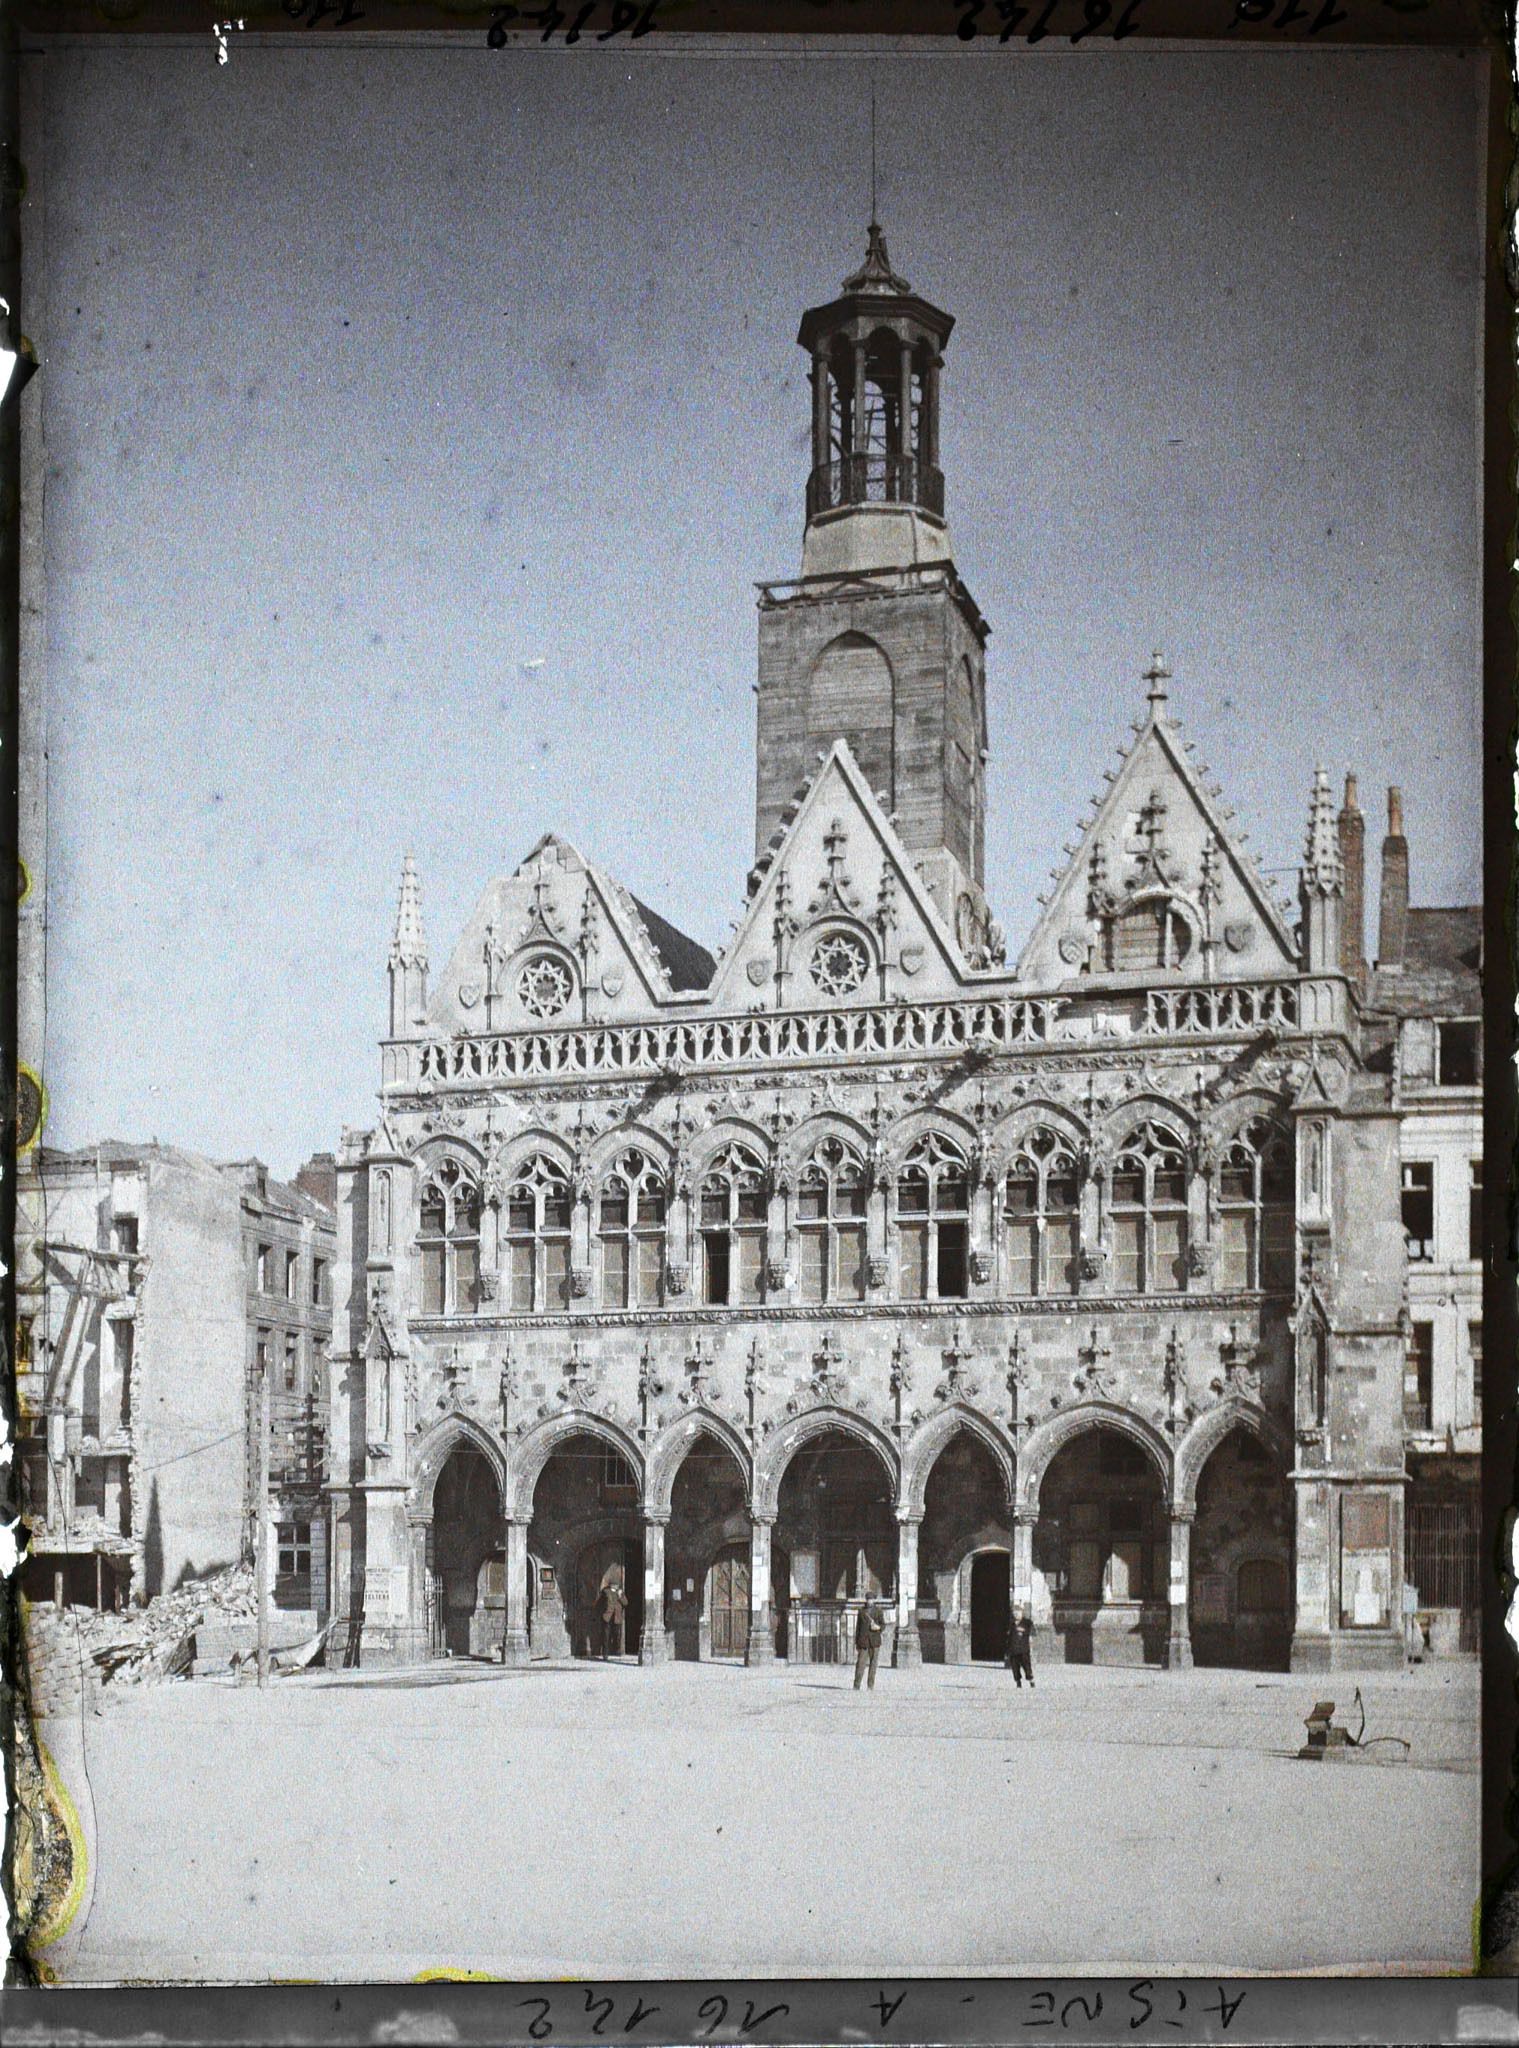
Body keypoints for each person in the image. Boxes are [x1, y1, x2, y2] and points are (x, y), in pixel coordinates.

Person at [853, 1598, 884, 1691]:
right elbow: (858, 1627)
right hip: (863, 1641)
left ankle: (870, 1685)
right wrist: (857, 1642)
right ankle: (856, 1685)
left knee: (873, 1665)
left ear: (874, 1600)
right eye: (868, 1599)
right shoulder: (861, 1611)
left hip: (875, 1641)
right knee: (860, 1664)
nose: (870, 1601)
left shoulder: (878, 1611)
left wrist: (878, 1627)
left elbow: (883, 1625)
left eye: (871, 1599)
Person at [599, 1573, 627, 1659]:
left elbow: (625, 1603)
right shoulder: (605, 1591)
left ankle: (617, 1651)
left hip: (617, 1617)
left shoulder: (620, 1593)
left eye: (617, 1585)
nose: (616, 1586)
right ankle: (605, 1654)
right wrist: (603, 1612)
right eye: (615, 1584)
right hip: (607, 1617)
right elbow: (600, 1603)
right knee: (606, 1636)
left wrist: (620, 1596)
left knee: (617, 1635)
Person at [1008, 1603, 1034, 1689]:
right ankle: (1018, 1683)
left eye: (1018, 1612)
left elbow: (1031, 1634)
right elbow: (1008, 1637)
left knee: (1026, 1666)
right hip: (1013, 1650)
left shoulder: (1027, 1623)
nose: (1016, 1614)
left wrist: (1031, 1647)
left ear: (1021, 1613)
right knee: (1015, 1667)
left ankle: (1031, 1680)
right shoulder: (1011, 1624)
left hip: (1024, 1650)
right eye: (1014, 1612)